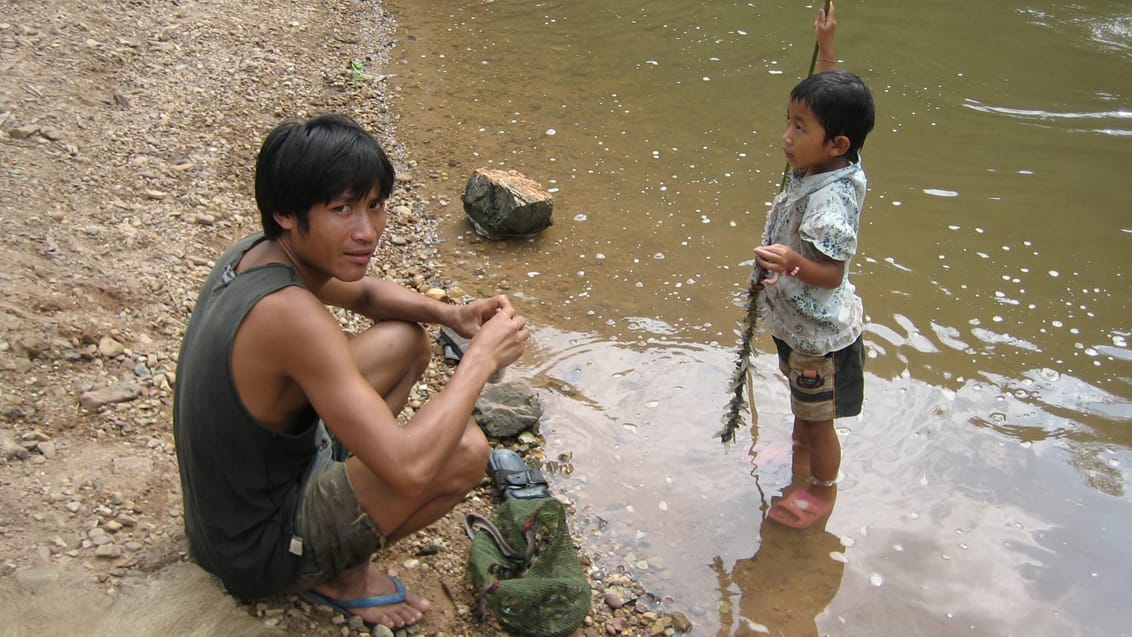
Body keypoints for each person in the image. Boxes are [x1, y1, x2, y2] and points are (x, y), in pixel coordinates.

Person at [172, 113, 529, 629]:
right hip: (258, 551)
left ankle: (353, 496)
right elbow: (409, 468)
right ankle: (335, 574)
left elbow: (364, 293)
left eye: (375, 206)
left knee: (406, 339)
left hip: (230, 512)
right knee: (464, 452)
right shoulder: (289, 314)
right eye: (342, 209)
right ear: (286, 213)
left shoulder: (256, 253)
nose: (367, 231)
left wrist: (452, 315)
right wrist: (480, 360)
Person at [751, 2, 875, 529]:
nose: (787, 135)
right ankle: (798, 460)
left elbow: (833, 273)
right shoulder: (832, 156)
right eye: (788, 121)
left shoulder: (829, 202)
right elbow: (828, 107)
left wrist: (794, 262)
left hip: (819, 337)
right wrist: (825, 53)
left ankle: (820, 491)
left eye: (799, 127)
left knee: (820, 423)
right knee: (806, 412)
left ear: (836, 144)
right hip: (798, 327)